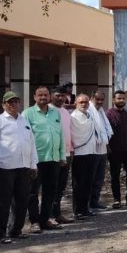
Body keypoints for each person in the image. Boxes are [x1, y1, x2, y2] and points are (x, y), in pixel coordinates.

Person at [0, 91, 38, 244]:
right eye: (10, 102)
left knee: (22, 201)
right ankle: (0, 234)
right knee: (3, 203)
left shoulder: (24, 121)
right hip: (4, 168)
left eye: (16, 101)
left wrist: (33, 165)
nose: (13, 104)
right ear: (3, 104)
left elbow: (31, 144)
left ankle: (16, 231)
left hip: (24, 168)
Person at [23, 86, 67, 233]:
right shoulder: (28, 114)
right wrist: (29, 161)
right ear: (34, 97)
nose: (43, 97)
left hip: (53, 159)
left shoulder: (55, 112)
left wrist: (62, 156)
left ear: (49, 96)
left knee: (50, 191)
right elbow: (25, 138)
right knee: (33, 192)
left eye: (45, 95)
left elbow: (60, 135)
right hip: (36, 160)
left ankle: (45, 219)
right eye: (40, 95)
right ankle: (34, 221)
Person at [106, 91, 127, 207]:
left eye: (123, 98)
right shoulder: (108, 114)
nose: (121, 100)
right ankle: (117, 200)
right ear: (113, 99)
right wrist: (107, 147)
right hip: (114, 150)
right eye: (119, 98)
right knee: (115, 176)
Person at [70, 94, 100, 219]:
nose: (83, 104)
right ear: (76, 103)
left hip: (91, 152)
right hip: (79, 154)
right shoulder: (73, 117)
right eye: (81, 102)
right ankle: (78, 210)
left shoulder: (89, 114)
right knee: (79, 184)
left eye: (86, 102)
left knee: (88, 182)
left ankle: (85, 208)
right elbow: (75, 135)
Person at [50, 86, 74, 224]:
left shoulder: (65, 112)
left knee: (61, 185)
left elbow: (68, 131)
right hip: (53, 155)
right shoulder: (48, 110)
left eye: (63, 96)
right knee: (51, 185)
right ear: (52, 95)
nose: (60, 98)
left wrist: (71, 149)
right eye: (57, 95)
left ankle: (57, 213)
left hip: (67, 153)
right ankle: (48, 215)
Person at [89, 90, 113, 210]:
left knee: (99, 178)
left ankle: (95, 202)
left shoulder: (101, 111)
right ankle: (87, 203)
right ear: (92, 98)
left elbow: (105, 129)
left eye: (102, 100)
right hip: (92, 150)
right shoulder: (88, 110)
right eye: (97, 99)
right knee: (91, 178)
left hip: (102, 148)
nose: (99, 102)